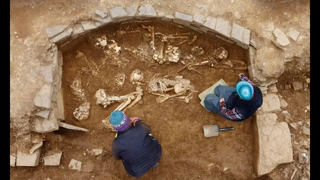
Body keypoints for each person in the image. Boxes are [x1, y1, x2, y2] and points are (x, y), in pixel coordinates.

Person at [110, 110, 162, 177]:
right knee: (149, 136)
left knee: (125, 158)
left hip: (137, 171)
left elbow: (118, 158)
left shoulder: (115, 144)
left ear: (115, 128)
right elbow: (149, 130)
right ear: (128, 119)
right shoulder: (141, 128)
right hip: (156, 155)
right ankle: (154, 163)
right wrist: (138, 122)